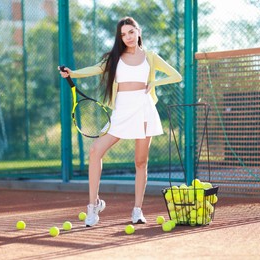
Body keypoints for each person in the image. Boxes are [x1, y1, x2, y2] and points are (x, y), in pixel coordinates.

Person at [59, 16, 182, 227]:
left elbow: (176, 75)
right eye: (123, 35)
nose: (127, 37)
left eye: (131, 32)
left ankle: (137, 210)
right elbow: (96, 68)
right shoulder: (115, 58)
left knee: (140, 162)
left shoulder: (150, 57)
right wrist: (73, 73)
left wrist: (154, 82)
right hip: (122, 111)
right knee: (95, 151)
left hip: (144, 109)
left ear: (138, 31)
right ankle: (93, 205)